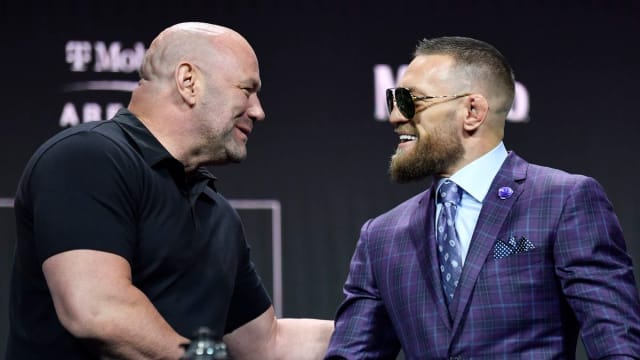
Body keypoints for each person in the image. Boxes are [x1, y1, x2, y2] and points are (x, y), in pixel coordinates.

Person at [6, 22, 333, 359]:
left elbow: (267, 344)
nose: (258, 110)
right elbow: (99, 312)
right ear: (188, 81)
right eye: (247, 90)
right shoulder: (88, 158)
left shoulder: (215, 212)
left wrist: (374, 319)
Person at [325, 36, 640, 358]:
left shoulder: (562, 201)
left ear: (472, 111)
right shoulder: (381, 236)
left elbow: (617, 345)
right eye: (393, 99)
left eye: (410, 101)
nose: (394, 116)